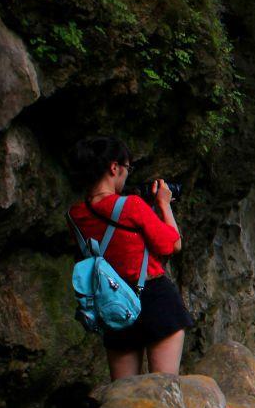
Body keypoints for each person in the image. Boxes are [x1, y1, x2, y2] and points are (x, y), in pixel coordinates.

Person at [68, 136, 193, 380]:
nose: (126, 175)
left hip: (114, 304)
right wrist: (164, 204)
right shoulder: (132, 206)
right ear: (114, 167)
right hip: (155, 298)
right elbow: (172, 244)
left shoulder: (75, 215)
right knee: (164, 392)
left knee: (123, 398)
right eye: (127, 168)